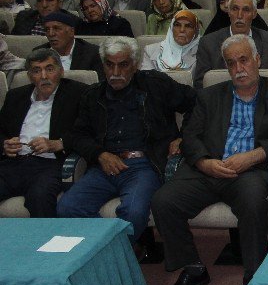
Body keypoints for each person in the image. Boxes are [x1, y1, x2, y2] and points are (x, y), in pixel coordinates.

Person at [153, 34, 268, 285]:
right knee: (163, 200)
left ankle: (254, 273)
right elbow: (190, 135)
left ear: (257, 60)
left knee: (253, 201)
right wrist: (205, 163)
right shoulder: (209, 96)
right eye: (232, 63)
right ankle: (193, 268)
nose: (239, 68)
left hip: (249, 171)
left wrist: (253, 156)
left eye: (244, 60)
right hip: (208, 169)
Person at [58, 36, 197, 247]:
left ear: (134, 64)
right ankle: (109, 251)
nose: (115, 73)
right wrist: (100, 154)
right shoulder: (92, 95)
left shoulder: (156, 84)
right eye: (109, 65)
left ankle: (109, 254)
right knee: (68, 207)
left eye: (122, 65)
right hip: (104, 165)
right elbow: (77, 135)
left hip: (145, 165)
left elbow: (197, 102)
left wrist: (183, 136)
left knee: (132, 212)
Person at [0, 49, 88, 217]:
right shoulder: (15, 96)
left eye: (49, 69)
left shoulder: (79, 94)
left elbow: (89, 131)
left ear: (61, 71)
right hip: (14, 163)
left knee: (39, 196)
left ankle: (45, 242)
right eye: (36, 70)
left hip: (51, 165)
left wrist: (57, 143)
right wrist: (5, 145)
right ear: (29, 75)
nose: (43, 76)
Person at [193, 0, 268, 88]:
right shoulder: (208, 43)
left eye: (246, 10)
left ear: (254, 14)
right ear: (228, 12)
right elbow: (201, 85)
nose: (239, 15)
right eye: (235, 9)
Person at [34, 11, 103, 75]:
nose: (51, 33)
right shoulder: (38, 53)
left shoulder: (92, 53)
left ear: (71, 32)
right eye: (47, 29)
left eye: (56, 28)